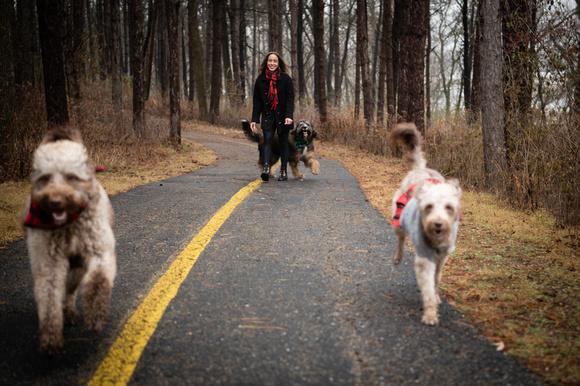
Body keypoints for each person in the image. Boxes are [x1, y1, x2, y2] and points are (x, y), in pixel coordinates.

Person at [250, 51, 295, 181]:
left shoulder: (286, 79)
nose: (272, 63)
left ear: (278, 63)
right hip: (268, 115)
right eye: (270, 61)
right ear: (266, 62)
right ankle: (266, 169)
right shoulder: (260, 80)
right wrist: (254, 119)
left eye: (275, 61)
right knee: (267, 140)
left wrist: (289, 115)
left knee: (283, 143)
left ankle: (284, 171)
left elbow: (290, 99)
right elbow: (257, 101)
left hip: (283, 116)